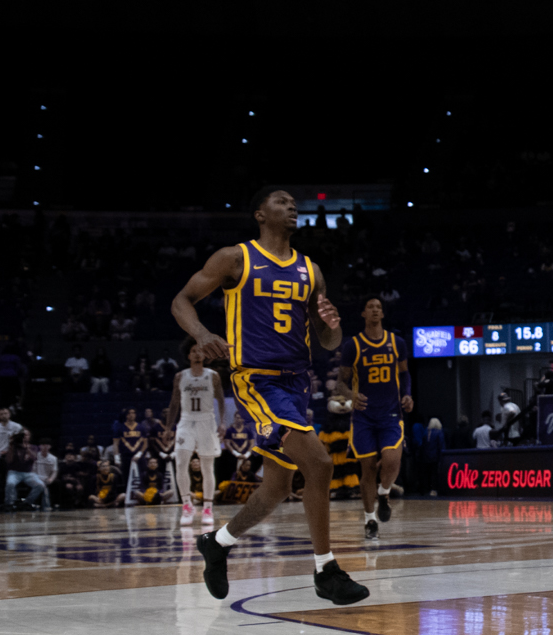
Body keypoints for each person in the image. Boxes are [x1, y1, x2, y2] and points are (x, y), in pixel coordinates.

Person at [172, 186, 369, 605]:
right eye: (281, 201)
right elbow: (181, 301)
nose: (292, 205)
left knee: (277, 486)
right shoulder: (235, 258)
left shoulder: (310, 270)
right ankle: (326, 571)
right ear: (260, 214)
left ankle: (218, 543)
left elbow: (329, 340)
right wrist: (204, 334)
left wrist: (333, 325)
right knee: (318, 463)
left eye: (293, 202)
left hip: (298, 382)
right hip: (256, 379)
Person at [335, 296, 411, 539]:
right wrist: (351, 394)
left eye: (379, 307)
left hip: (390, 413)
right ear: (363, 314)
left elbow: (405, 374)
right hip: (363, 417)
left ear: (383, 313)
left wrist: (407, 395)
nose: (375, 310)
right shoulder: (352, 346)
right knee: (367, 469)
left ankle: (384, 492)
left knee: (391, 460)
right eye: (370, 307)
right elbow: (341, 383)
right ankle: (370, 521)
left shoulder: (397, 342)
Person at [164, 349, 223, 530]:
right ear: (188, 355)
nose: (197, 354)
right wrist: (168, 427)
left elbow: (221, 400)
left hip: (207, 420)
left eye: (200, 351)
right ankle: (187, 506)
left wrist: (222, 423)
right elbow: (174, 402)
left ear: (205, 355)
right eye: (193, 351)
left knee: (207, 466)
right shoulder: (180, 376)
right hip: (186, 421)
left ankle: (207, 508)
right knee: (181, 463)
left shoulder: (213, 376)